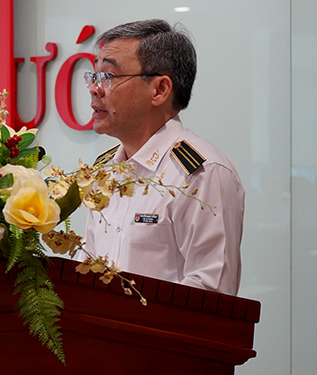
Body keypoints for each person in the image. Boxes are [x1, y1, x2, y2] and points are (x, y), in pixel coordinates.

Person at [83, 19, 244, 296]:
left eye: (108, 76)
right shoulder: (103, 171)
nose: (95, 89)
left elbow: (210, 294)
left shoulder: (201, 173)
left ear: (159, 90)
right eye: (94, 77)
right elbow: (88, 270)